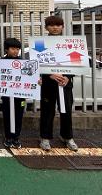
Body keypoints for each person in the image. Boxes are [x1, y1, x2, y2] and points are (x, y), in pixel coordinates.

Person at [39, 16, 78, 151]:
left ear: (62, 27)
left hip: (64, 83)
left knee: (66, 111)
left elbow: (76, 61)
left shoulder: (70, 43)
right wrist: (49, 74)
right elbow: (36, 63)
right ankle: (45, 137)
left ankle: (67, 137)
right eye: (51, 25)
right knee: (47, 111)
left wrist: (68, 76)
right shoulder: (40, 42)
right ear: (46, 27)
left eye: (58, 25)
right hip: (48, 84)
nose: (55, 27)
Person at [0, 38, 25, 149]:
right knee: (7, 115)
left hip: (21, 95)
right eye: (13, 48)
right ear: (7, 49)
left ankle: (16, 137)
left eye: (17, 49)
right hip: (6, 95)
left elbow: (30, 78)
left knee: (19, 115)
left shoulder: (24, 62)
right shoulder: (0, 62)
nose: (15, 51)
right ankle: (8, 137)